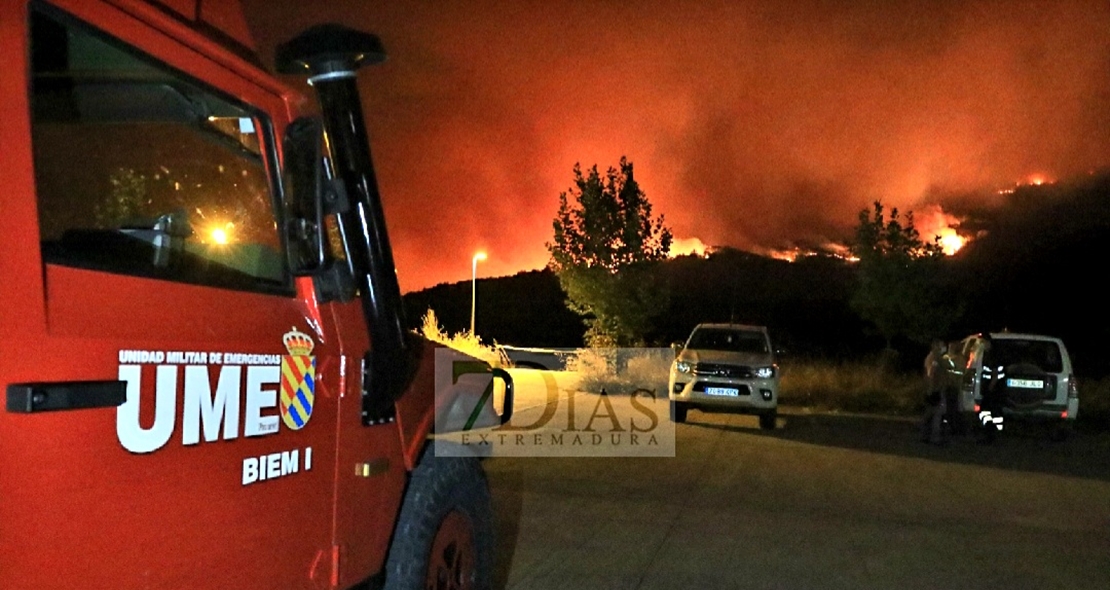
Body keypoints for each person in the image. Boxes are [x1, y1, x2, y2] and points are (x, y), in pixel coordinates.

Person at [921, 339, 951, 445]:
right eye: (941, 345)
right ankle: (934, 438)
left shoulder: (934, 357)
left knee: (930, 413)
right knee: (937, 414)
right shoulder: (934, 358)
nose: (943, 347)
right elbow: (932, 374)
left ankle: (926, 435)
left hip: (934, 389)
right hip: (936, 389)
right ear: (935, 346)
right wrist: (931, 389)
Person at [977, 335, 1006, 443]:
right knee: (991, 412)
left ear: (988, 342)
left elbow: (995, 374)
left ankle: (990, 435)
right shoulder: (990, 354)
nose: (982, 345)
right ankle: (991, 434)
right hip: (993, 390)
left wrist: (989, 389)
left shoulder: (993, 355)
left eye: (983, 342)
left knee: (987, 411)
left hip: (993, 391)